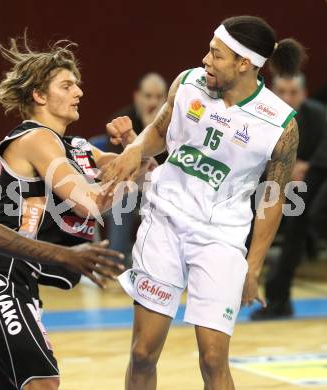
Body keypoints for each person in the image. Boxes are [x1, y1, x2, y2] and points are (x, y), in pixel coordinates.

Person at [102, 15, 305, 390]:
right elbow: (160, 133)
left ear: (244, 64)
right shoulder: (187, 83)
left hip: (221, 239)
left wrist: (252, 268)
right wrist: (135, 148)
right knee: (143, 353)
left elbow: (273, 200)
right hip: (164, 224)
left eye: (216, 54)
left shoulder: (280, 124)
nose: (205, 60)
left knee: (213, 361)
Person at [0, 37, 147, 390]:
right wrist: (129, 164)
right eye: (67, 85)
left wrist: (133, 143)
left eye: (77, 83)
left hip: (22, 279)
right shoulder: (35, 138)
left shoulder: (76, 146)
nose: (78, 91)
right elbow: (90, 202)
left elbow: (145, 173)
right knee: (42, 381)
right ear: (39, 96)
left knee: (20, 384)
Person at [0, 152, 124, 389]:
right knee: (41, 381)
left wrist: (135, 152)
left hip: (14, 275)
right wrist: (64, 254)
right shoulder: (34, 140)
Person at [250, 75, 327, 320]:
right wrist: (284, 168)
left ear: (303, 94)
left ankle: (278, 297)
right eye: (282, 91)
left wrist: (305, 170)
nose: (287, 98)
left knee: (300, 219)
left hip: (311, 182)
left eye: (293, 92)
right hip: (269, 181)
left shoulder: (319, 117)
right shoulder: (258, 116)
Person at [105, 73, 167, 263]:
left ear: (166, 99)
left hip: (162, 188)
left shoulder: (173, 125)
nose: (153, 102)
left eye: (159, 97)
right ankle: (116, 257)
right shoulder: (122, 121)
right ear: (137, 96)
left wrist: (155, 135)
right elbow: (117, 166)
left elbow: (170, 167)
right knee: (125, 193)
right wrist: (146, 134)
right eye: (148, 96)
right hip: (131, 187)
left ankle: (162, 263)